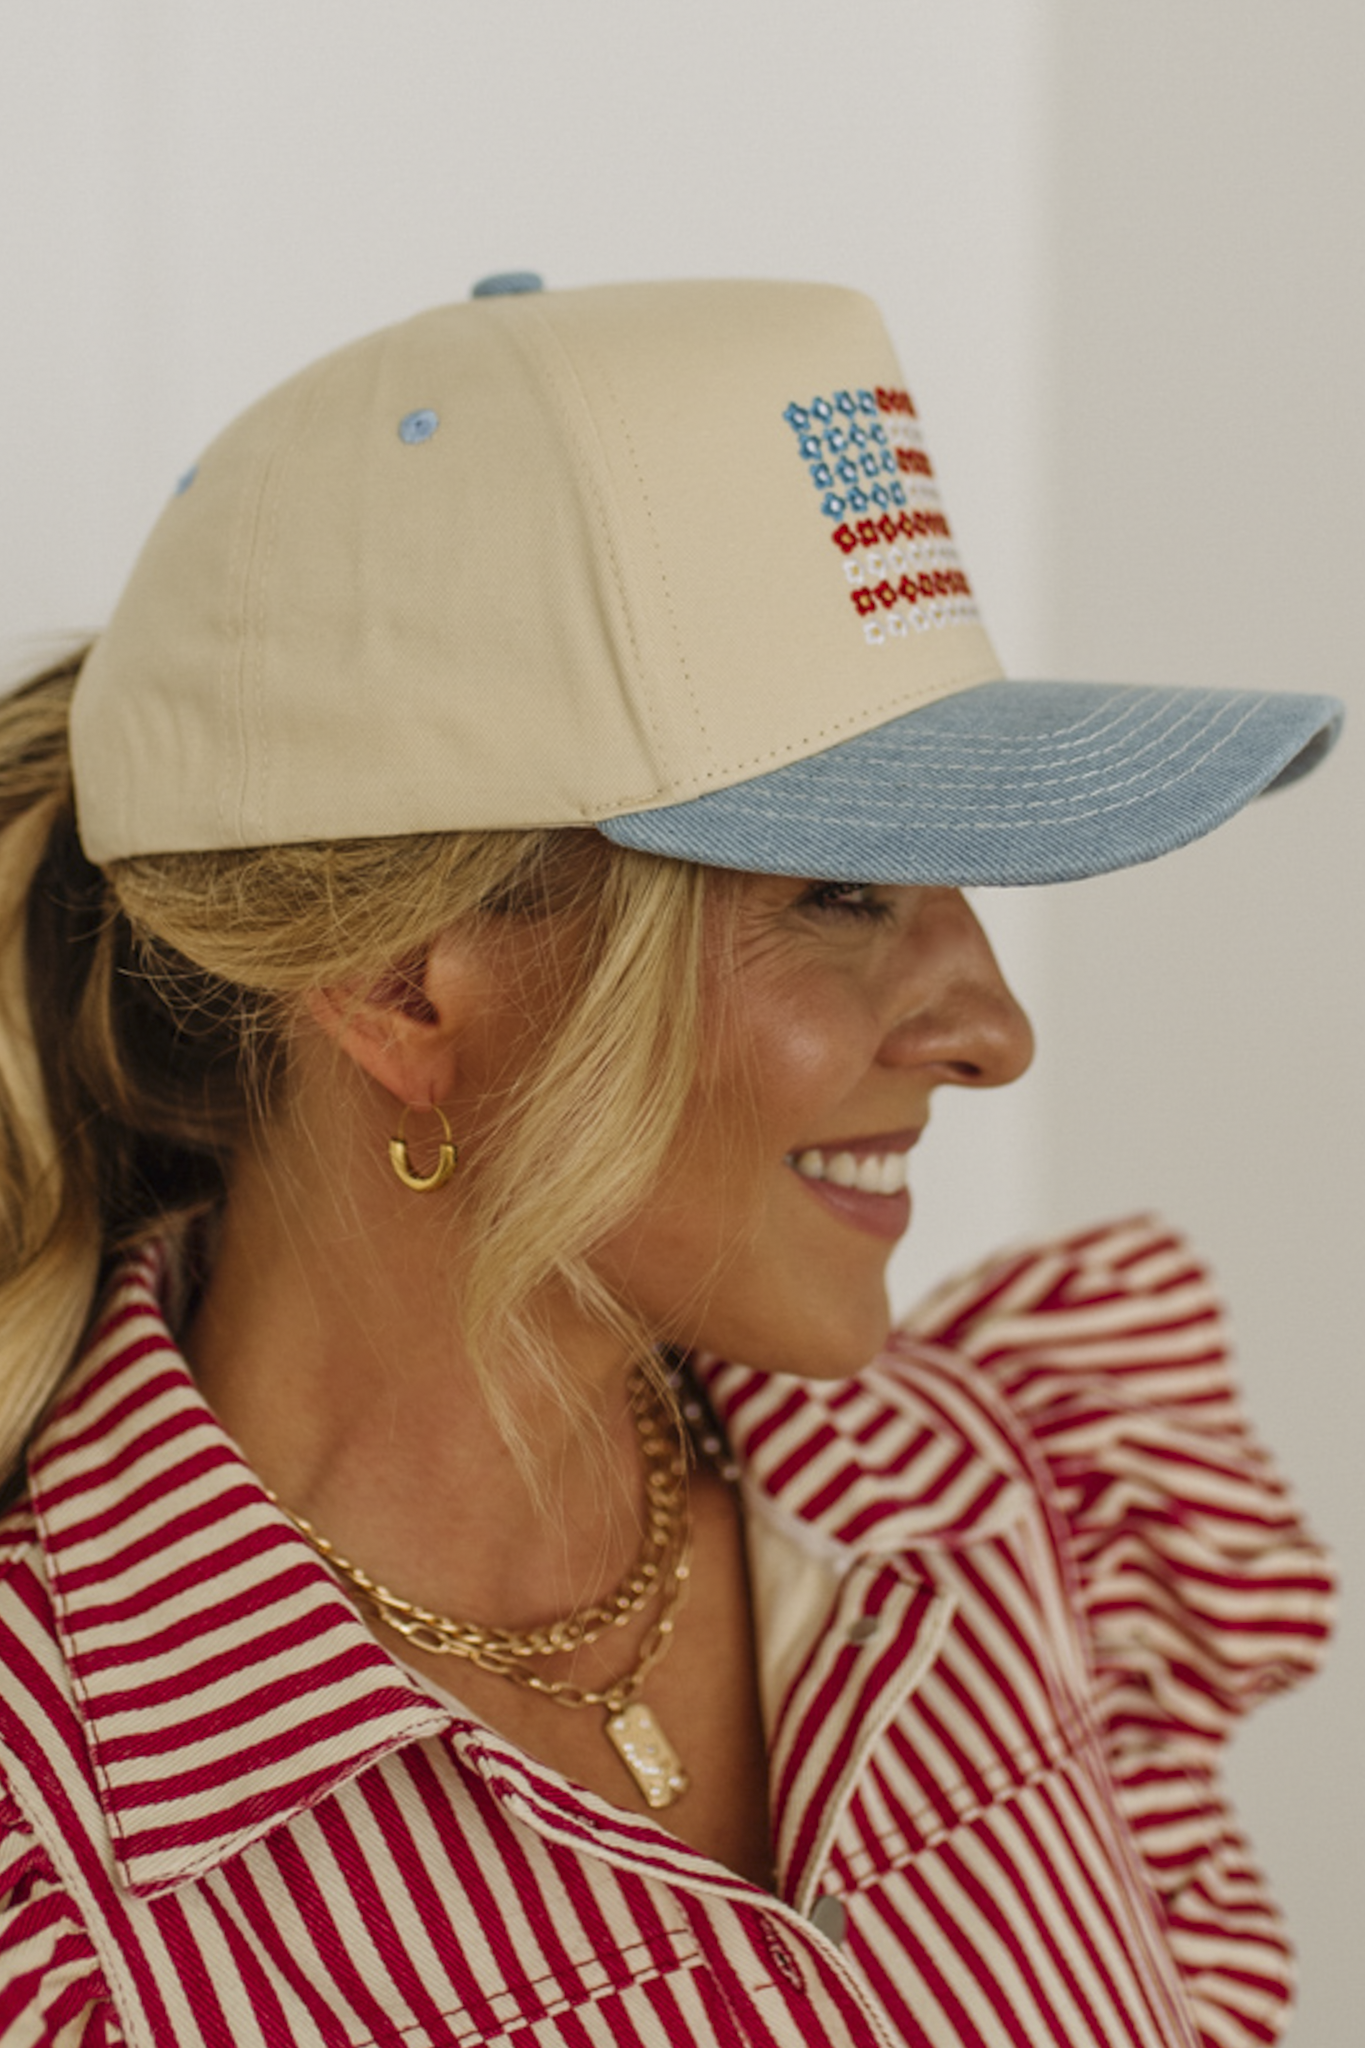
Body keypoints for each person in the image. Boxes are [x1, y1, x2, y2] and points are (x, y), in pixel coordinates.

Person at [0, 274, 1339, 2048]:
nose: (995, 1032)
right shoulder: (60, 1868)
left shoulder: (979, 1506)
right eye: (841, 892)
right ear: (402, 990)